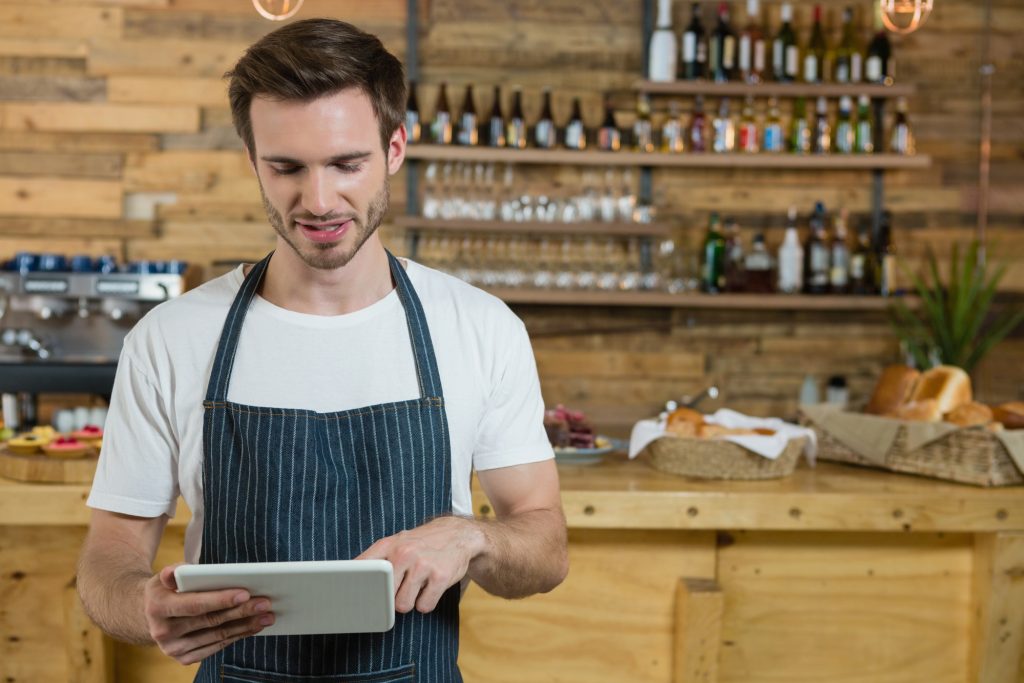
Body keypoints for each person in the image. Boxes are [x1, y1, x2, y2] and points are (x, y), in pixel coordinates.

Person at [76, 18, 568, 682]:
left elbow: (544, 541)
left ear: (395, 147)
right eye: (286, 167)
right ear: (252, 160)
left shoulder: (479, 328)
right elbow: (109, 552)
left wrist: (474, 535)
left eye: (346, 163)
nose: (318, 200)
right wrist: (141, 604)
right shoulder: (170, 339)